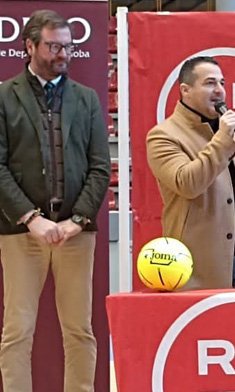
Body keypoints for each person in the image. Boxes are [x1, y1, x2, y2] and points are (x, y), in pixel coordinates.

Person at [0, 10, 110, 392]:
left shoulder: (88, 99)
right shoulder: (3, 95)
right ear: (30, 46)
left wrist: (76, 221)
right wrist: (31, 218)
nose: (64, 53)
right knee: (17, 330)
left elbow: (100, 167)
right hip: (20, 232)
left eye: (68, 45)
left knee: (80, 330)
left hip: (76, 233)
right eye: (55, 45)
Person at [147, 56, 235, 290]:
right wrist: (222, 139)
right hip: (198, 267)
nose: (220, 91)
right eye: (210, 83)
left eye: (222, 83)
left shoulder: (230, 132)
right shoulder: (163, 136)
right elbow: (187, 183)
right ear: (186, 90)